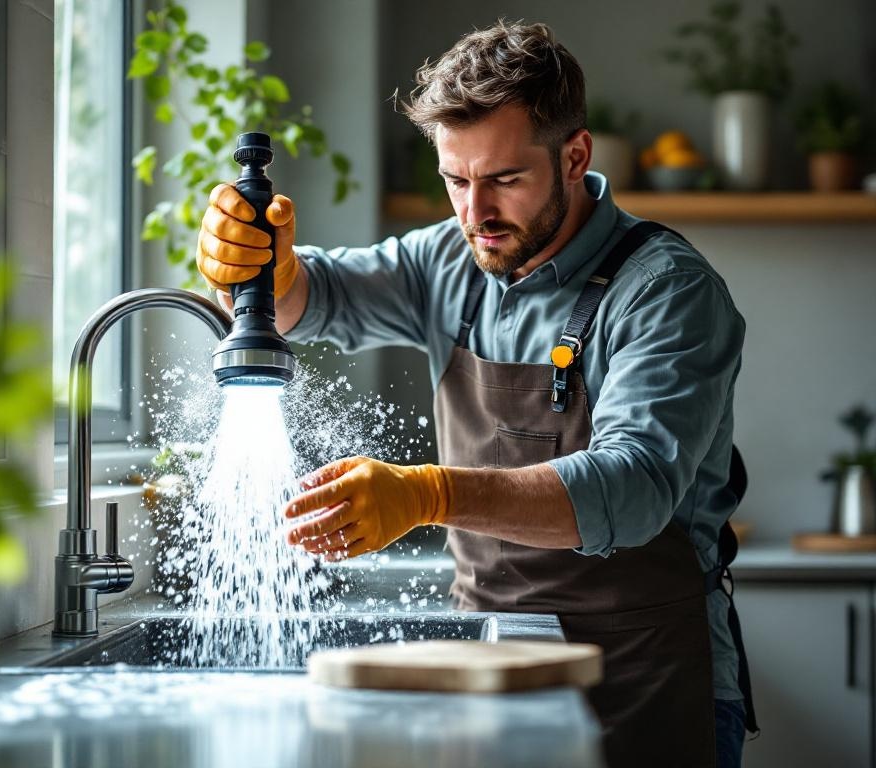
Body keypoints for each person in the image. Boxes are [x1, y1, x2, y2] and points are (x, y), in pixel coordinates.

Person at [196, 21, 751, 768]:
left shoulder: (667, 292)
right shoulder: (448, 261)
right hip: (495, 673)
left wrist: (427, 494)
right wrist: (259, 270)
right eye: (456, 179)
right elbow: (317, 296)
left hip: (648, 678)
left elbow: (636, 486)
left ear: (575, 156)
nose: (474, 212)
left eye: (504, 179)